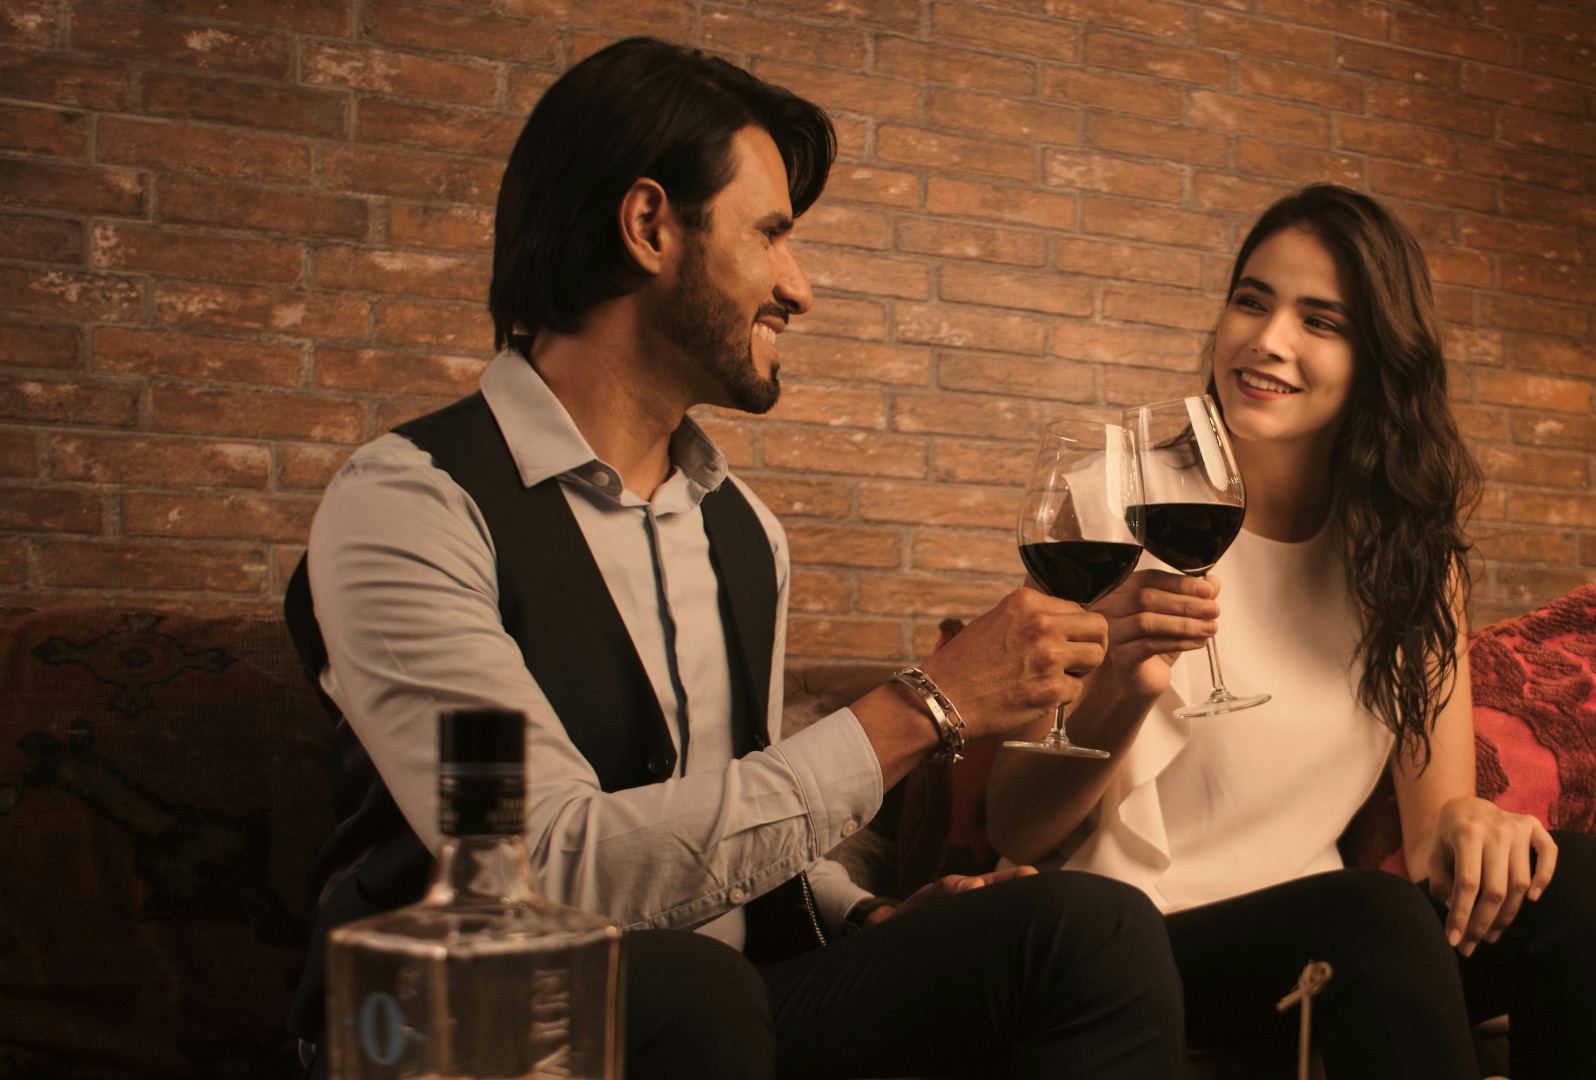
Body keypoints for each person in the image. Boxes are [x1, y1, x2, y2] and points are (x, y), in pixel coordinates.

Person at [284, 37, 1183, 1080]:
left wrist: (869, 912)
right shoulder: (409, 501)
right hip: (450, 1031)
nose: (797, 289)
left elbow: (741, 824)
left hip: (715, 1019)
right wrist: (924, 705)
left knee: (1088, 930)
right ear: (650, 225)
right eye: (770, 236)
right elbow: (542, 873)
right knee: (687, 991)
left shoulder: (743, 531)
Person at [985, 184, 1596, 1079]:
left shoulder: (1411, 559)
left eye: (1320, 320)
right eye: (1251, 300)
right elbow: (1016, 825)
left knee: (1585, 884)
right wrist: (1123, 691)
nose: (1268, 341)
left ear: (1378, 361)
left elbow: (1434, 832)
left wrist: (1482, 827)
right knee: (1367, 916)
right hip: (1137, 945)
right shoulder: (1111, 504)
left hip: (1329, 943)